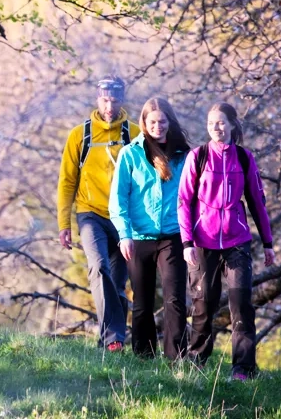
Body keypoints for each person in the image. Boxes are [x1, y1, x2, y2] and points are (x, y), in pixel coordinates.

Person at [177, 102, 276, 380]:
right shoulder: (198, 156)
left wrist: (267, 243)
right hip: (202, 242)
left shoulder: (245, 158)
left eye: (221, 122)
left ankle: (243, 369)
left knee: (241, 304)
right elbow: (184, 201)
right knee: (203, 304)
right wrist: (187, 243)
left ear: (232, 124)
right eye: (211, 124)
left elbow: (257, 202)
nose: (216, 128)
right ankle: (196, 360)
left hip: (237, 241)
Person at [57, 76, 141, 351]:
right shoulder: (80, 135)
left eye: (115, 100)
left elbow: (146, 179)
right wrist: (64, 223)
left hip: (123, 218)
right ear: (97, 98)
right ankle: (113, 339)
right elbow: (67, 181)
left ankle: (109, 340)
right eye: (105, 99)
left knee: (117, 284)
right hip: (90, 213)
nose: (109, 106)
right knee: (99, 267)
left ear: (121, 100)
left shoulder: (136, 134)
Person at [109, 98, 190, 360]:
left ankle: (175, 358)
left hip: (173, 236)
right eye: (152, 121)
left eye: (163, 121)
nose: (158, 126)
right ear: (144, 123)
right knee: (142, 302)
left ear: (170, 122)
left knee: (175, 299)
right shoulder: (130, 154)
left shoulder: (183, 155)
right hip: (139, 237)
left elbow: (191, 196)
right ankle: (143, 357)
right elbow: (118, 199)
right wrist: (124, 235)